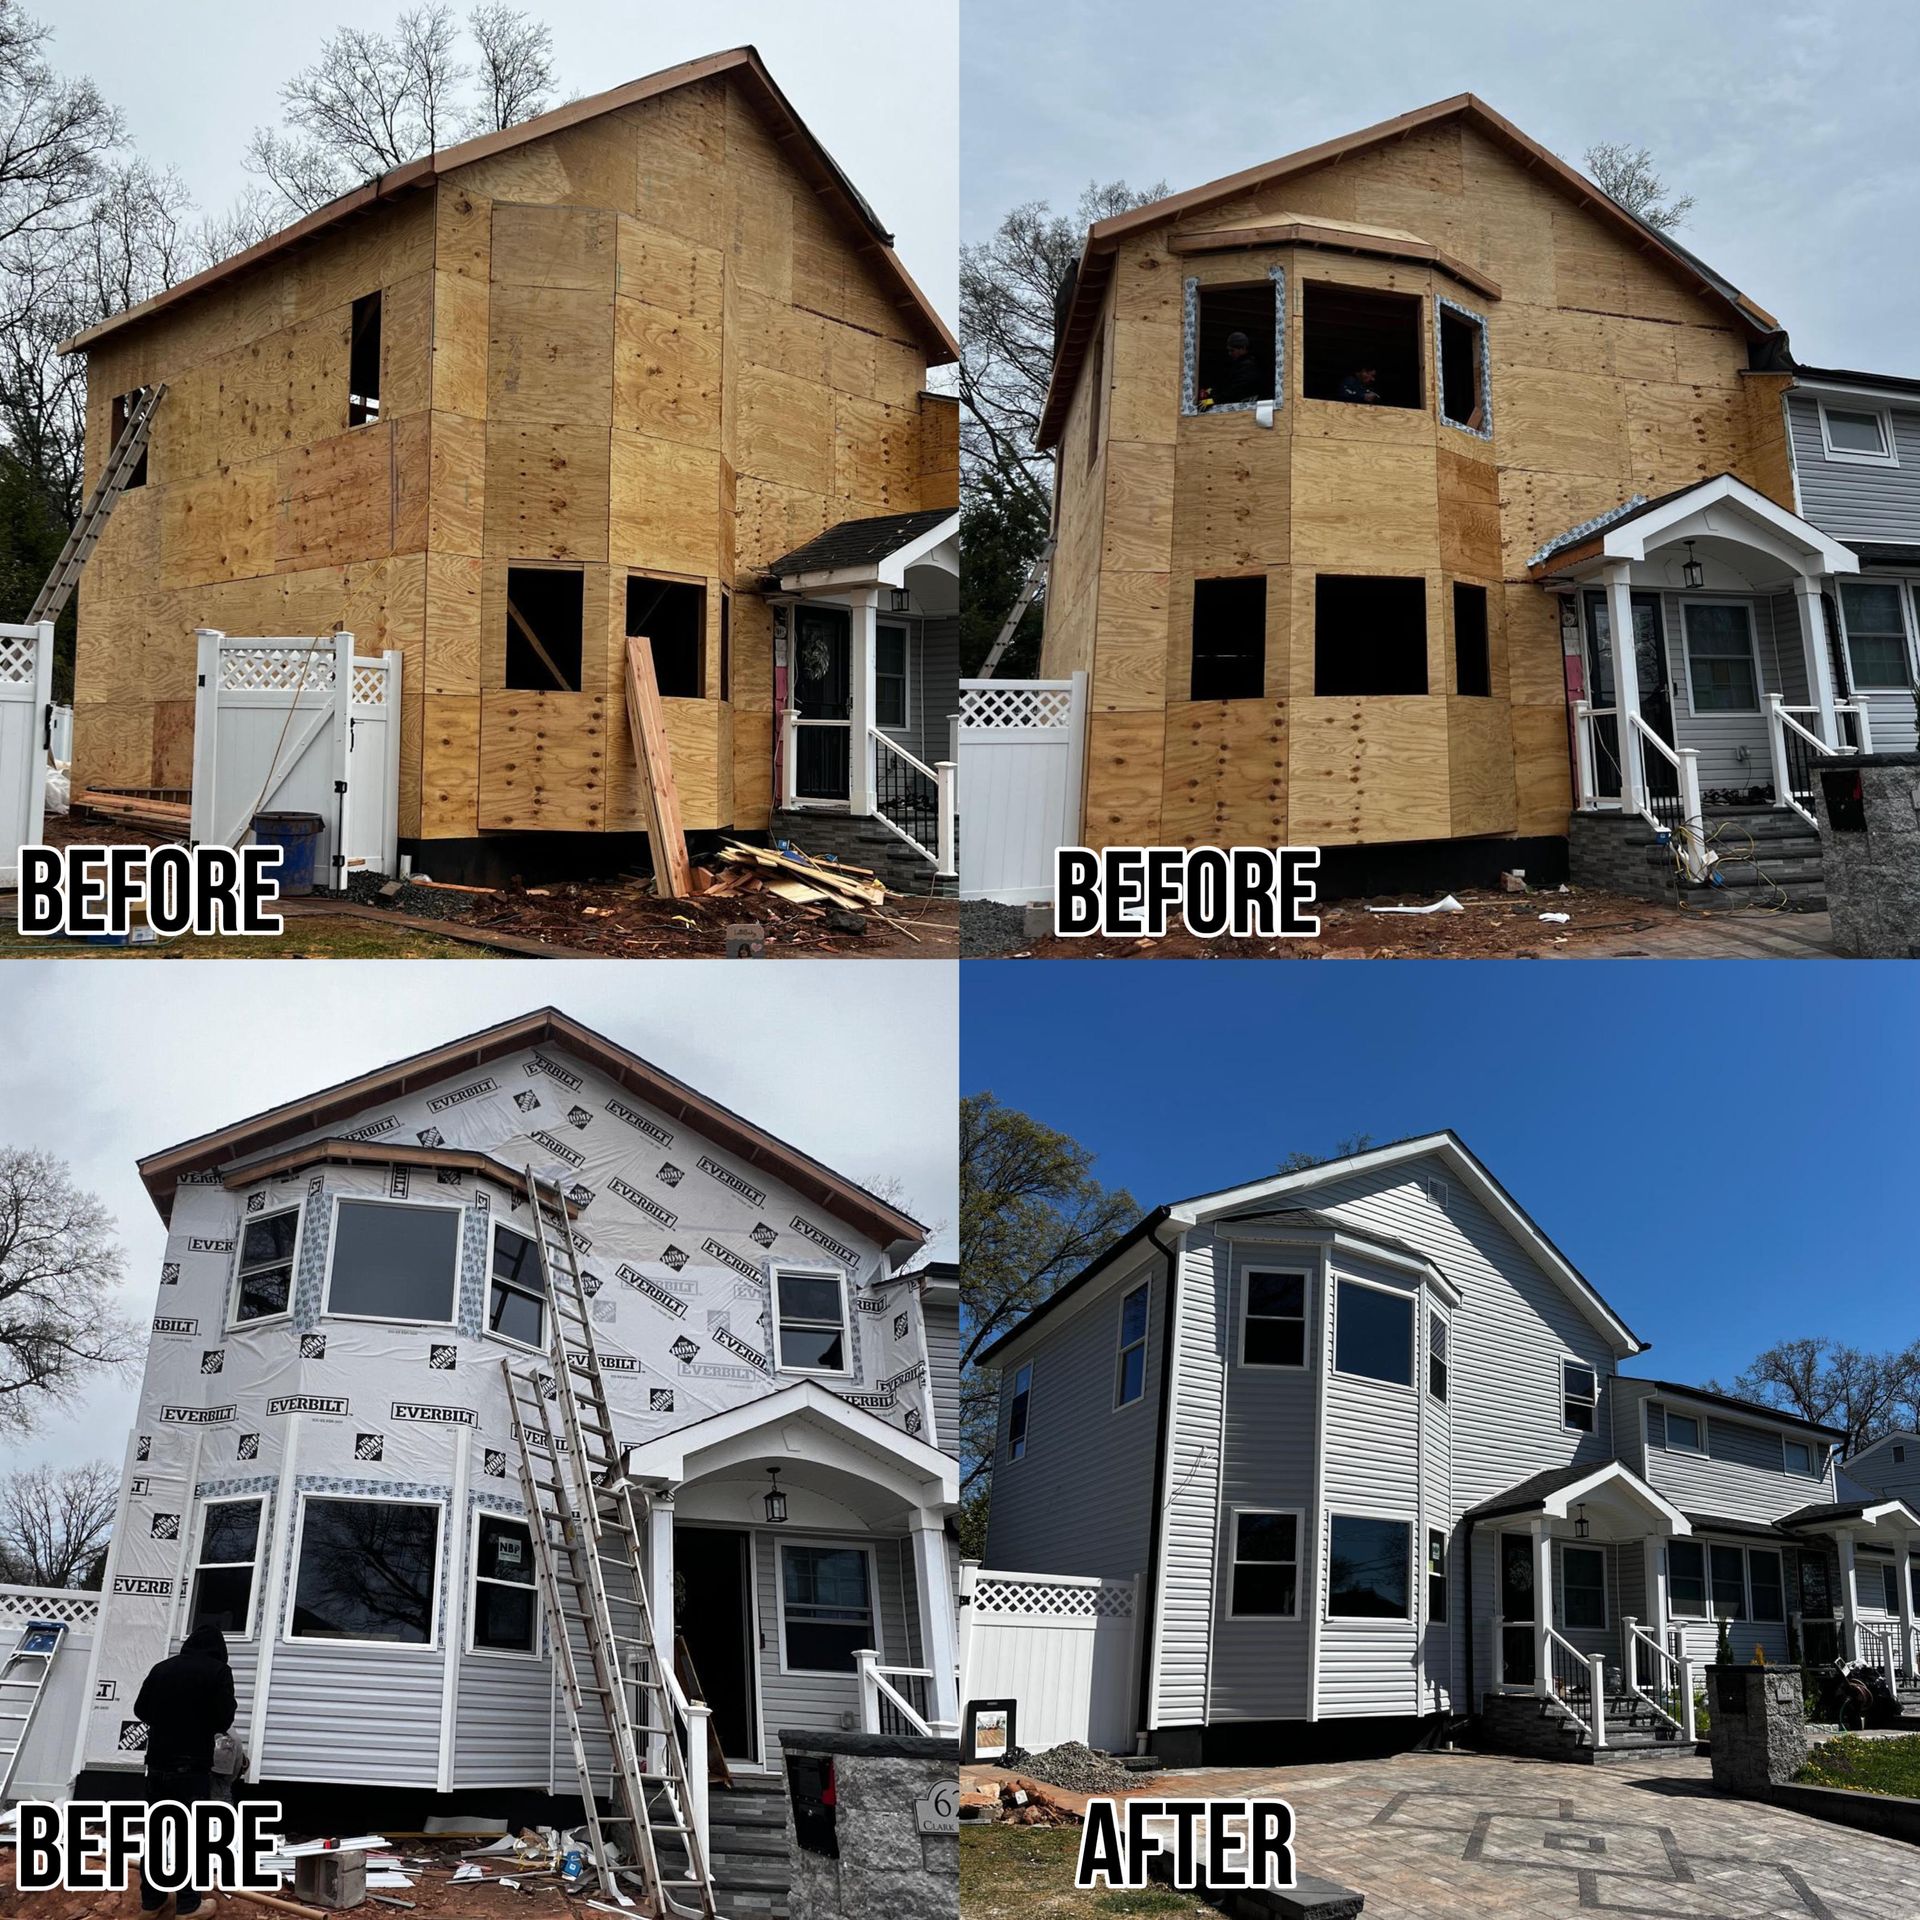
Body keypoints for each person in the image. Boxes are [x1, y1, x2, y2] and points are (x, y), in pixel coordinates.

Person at [132, 1623, 238, 1915]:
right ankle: (189, 1905)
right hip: (191, 1770)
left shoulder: (162, 1668)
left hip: (157, 1766)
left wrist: (169, 1717)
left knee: (155, 1835)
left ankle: (151, 1903)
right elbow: (223, 1718)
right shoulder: (218, 1672)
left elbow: (140, 1710)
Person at [1213, 330, 1265, 404]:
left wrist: (1216, 399)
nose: (1230, 354)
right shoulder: (1237, 364)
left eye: (1232, 350)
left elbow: (1236, 389)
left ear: (1243, 348)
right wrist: (1211, 391)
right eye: (1229, 351)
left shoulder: (1249, 366)